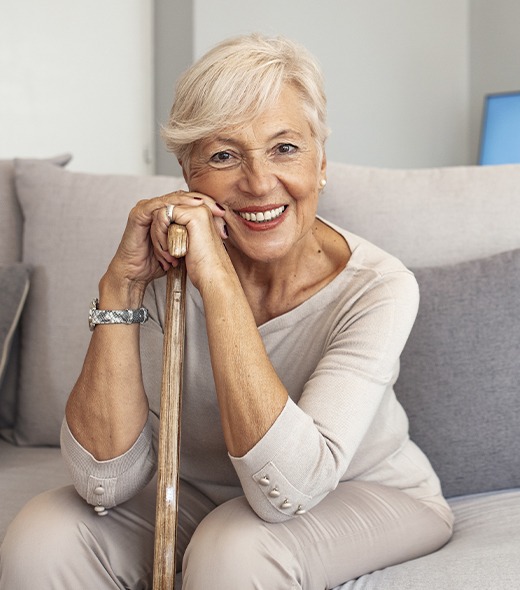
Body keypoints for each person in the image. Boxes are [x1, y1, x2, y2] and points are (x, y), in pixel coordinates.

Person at [0, 33, 453, 589]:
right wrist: (122, 286)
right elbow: (104, 482)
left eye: (285, 148)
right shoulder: (162, 270)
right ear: (190, 178)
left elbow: (287, 490)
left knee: (234, 548)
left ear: (322, 162)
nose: (260, 183)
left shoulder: (378, 287)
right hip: (199, 497)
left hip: (362, 494)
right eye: (224, 155)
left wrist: (217, 284)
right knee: (42, 534)